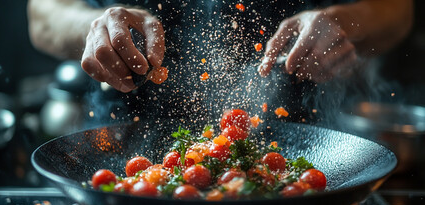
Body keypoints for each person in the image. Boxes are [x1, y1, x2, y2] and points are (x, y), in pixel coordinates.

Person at [27, 0, 413, 123]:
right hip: (126, 140)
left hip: (301, 143)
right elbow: (42, 14)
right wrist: (93, 29)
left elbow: (399, 10)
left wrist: (341, 21)